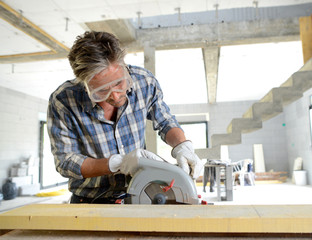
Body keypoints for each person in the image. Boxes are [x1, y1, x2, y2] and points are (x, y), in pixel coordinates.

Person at [47, 31, 203, 204]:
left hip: (141, 194)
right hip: (90, 200)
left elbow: (165, 121)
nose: (114, 96)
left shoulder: (144, 82)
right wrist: (117, 163)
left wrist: (182, 147)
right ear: (84, 83)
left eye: (119, 83)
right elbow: (65, 161)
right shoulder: (64, 100)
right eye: (101, 91)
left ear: (123, 65)